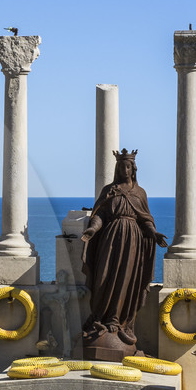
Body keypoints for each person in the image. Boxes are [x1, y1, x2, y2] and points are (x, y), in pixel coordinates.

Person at [81, 149, 166, 355]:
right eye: (120, 166)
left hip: (133, 243)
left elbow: (145, 218)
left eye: (127, 166)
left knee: (126, 282)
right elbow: (100, 213)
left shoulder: (140, 193)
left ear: (133, 169)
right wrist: (92, 229)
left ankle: (116, 321)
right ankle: (99, 318)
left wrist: (153, 233)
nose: (124, 169)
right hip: (110, 239)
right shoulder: (109, 190)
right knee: (103, 279)